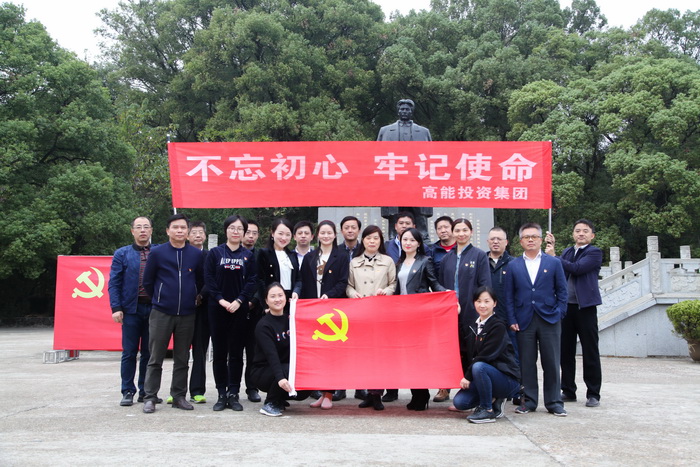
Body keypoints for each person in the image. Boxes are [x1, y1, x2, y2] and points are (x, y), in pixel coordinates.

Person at [142, 214, 204, 414]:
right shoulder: (158, 253)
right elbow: (148, 281)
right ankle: (150, 397)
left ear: (188, 231)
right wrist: (160, 298)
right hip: (161, 312)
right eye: (175, 227)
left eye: (183, 228)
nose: (179, 231)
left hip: (187, 313)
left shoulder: (195, 254)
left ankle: (179, 396)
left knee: (182, 358)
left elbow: (201, 280)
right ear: (167, 231)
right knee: (155, 357)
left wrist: (196, 296)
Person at [505, 222, 568, 416]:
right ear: (520, 241)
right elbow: (509, 296)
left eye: (534, 236)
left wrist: (559, 313)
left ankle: (554, 402)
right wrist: (512, 319)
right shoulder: (513, 265)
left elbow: (562, 291)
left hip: (549, 318)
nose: (530, 240)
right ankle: (529, 401)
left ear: (541, 240)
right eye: (526, 237)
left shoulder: (554, 263)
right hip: (524, 320)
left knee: (552, 361)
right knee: (526, 363)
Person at [545, 219, 603, 408]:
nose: (581, 234)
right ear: (573, 234)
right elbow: (559, 270)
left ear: (592, 235)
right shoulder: (568, 252)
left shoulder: (594, 252)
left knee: (590, 351)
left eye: (585, 231)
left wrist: (554, 256)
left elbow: (577, 269)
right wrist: (552, 250)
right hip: (566, 308)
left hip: (585, 308)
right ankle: (568, 390)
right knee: (565, 351)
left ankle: (593, 393)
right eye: (577, 230)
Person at [204, 215, 258, 412]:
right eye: (232, 228)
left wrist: (239, 300)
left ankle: (234, 393)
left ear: (244, 232)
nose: (236, 232)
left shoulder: (248, 255)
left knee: (236, 354)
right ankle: (221, 393)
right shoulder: (215, 253)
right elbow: (209, 278)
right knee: (219, 353)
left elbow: (252, 280)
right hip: (217, 308)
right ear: (226, 230)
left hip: (239, 309)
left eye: (239, 229)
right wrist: (221, 300)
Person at [436, 218, 491, 403]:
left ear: (471, 232)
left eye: (465, 230)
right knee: (449, 350)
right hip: (450, 313)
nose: (461, 234)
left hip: (471, 312)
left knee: (471, 351)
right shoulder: (446, 258)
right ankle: (444, 387)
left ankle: (472, 389)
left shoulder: (479, 255)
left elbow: (484, 285)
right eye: (457, 230)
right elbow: (441, 286)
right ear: (453, 233)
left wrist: (481, 309)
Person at [108, 216, 159, 407]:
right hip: (131, 309)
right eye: (139, 227)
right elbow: (114, 283)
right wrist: (116, 307)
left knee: (149, 353)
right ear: (132, 231)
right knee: (129, 352)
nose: (142, 230)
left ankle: (146, 391)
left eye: (146, 227)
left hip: (154, 309)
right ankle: (127, 390)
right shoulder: (122, 254)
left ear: (151, 230)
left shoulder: (159, 252)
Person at [394, 227, 447, 410]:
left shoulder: (425, 261)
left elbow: (434, 283)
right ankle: (415, 393)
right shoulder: (399, 263)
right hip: (402, 316)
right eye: (405, 239)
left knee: (418, 356)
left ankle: (422, 394)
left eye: (412, 240)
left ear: (418, 243)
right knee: (407, 357)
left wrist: (447, 295)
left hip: (419, 316)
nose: (408, 243)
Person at [299, 220, 350, 409]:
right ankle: (321, 393)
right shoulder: (310, 257)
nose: (326, 236)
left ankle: (329, 394)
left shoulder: (342, 256)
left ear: (335, 235)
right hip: (314, 310)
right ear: (317, 235)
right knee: (317, 354)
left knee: (332, 354)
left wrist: (329, 295)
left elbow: (343, 282)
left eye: (329, 233)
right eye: (323, 232)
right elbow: (303, 282)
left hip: (333, 310)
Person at [452, 287, 521, 423]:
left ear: (494, 303)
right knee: (460, 402)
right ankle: (493, 398)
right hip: (482, 377)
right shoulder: (473, 326)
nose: (482, 305)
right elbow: (462, 346)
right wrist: (456, 315)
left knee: (479, 366)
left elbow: (486, 356)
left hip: (506, 379)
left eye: (486, 301)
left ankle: (487, 409)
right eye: (478, 301)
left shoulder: (498, 326)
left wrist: (468, 376)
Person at [347, 225, 397, 410]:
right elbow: (349, 285)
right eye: (369, 238)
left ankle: (377, 394)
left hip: (381, 313)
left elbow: (394, 283)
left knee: (380, 354)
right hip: (361, 314)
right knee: (364, 354)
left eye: (376, 238)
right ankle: (368, 392)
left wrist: (387, 291)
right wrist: (352, 294)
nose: (372, 241)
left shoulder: (388, 261)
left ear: (380, 241)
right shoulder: (354, 262)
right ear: (363, 240)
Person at [250, 283, 311, 417]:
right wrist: (281, 378)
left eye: (280, 295)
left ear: (286, 298)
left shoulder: (291, 320)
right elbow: (271, 356)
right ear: (266, 301)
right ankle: (270, 403)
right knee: (287, 370)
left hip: (284, 368)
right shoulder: (263, 325)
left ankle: (279, 398)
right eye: (273, 296)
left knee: (305, 390)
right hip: (263, 371)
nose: (277, 299)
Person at [377, 98, 434, 241]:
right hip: (393, 175)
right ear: (398, 111)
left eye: (407, 109)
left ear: (411, 111)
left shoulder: (423, 132)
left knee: (418, 209)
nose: (404, 111)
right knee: (394, 210)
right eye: (402, 109)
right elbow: (377, 154)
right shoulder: (385, 131)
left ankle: (423, 236)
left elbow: (431, 156)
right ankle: (393, 237)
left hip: (416, 176)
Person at [187, 221, 209, 405]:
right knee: (181, 352)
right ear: (188, 235)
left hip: (204, 309)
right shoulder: (181, 254)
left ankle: (197, 390)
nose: (197, 235)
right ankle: (177, 390)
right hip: (181, 309)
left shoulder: (210, 256)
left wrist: (201, 295)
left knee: (200, 351)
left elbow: (212, 279)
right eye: (194, 232)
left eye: (201, 232)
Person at [258, 218, 302, 308]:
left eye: (288, 234)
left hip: (290, 301)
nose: (284, 238)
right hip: (273, 302)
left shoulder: (293, 255)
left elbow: (298, 279)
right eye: (280, 234)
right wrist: (265, 305)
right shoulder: (264, 253)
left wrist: (296, 291)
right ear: (273, 233)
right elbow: (260, 281)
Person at [241, 218, 263, 402]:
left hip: (255, 310)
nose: (250, 236)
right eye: (248, 232)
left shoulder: (261, 255)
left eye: (254, 233)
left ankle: (252, 388)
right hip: (232, 308)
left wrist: (254, 300)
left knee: (253, 353)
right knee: (233, 352)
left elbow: (262, 281)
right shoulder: (230, 254)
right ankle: (230, 389)